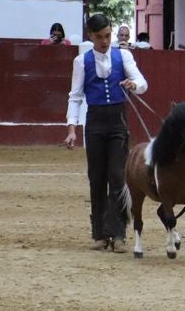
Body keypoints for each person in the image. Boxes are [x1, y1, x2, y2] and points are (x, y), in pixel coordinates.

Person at [64, 13, 149, 253]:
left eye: (108, 35)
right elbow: (75, 96)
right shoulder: (81, 61)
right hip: (95, 123)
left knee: (118, 177)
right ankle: (100, 233)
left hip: (118, 122)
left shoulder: (124, 56)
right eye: (100, 37)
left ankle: (119, 234)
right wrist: (72, 128)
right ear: (90, 36)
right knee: (97, 177)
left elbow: (142, 83)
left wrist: (134, 85)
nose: (104, 41)